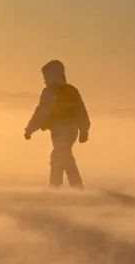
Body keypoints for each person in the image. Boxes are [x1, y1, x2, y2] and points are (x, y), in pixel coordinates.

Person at [24, 60, 91, 188]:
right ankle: (67, 186)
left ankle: (61, 186)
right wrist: (30, 129)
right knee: (62, 157)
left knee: (59, 155)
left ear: (56, 75)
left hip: (68, 130)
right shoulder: (53, 91)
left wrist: (84, 130)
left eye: (46, 76)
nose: (45, 80)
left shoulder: (63, 91)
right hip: (58, 131)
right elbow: (41, 112)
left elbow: (80, 110)